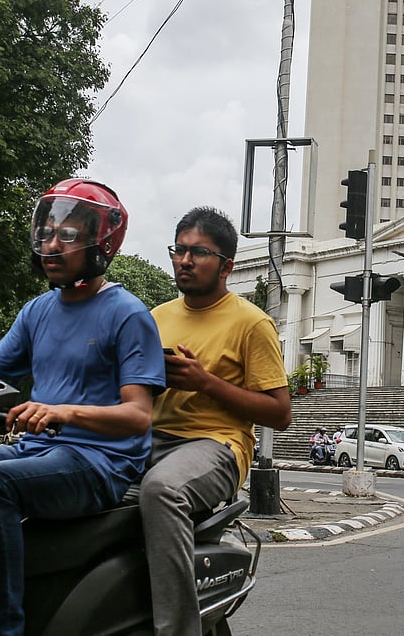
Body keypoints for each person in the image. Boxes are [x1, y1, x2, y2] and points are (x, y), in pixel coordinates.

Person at [0, 179, 167, 635]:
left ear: (101, 242)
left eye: (67, 235)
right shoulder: (37, 311)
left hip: (98, 463)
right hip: (35, 454)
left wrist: (62, 411)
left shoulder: (128, 314)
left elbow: (138, 416)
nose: (52, 245)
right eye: (47, 232)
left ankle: (2, 625)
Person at [139, 207, 291, 636]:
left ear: (227, 266)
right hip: (148, 437)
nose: (185, 261)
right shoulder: (155, 318)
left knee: (163, 489)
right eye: (179, 250)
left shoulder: (250, 323)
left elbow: (279, 413)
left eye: (198, 252)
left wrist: (206, 383)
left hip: (215, 445)